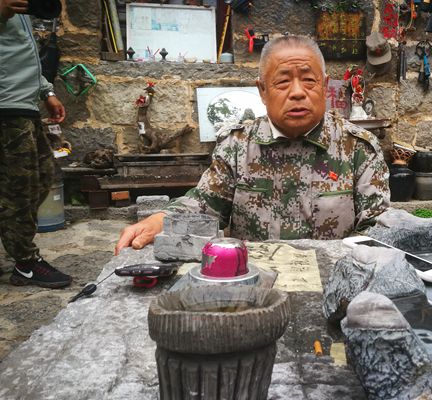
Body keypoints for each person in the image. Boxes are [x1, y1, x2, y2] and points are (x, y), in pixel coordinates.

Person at [116, 35, 390, 254]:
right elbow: (205, 206)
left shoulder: (358, 148)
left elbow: (376, 228)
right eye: (283, 82)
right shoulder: (237, 146)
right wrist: (161, 220)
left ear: (324, 86)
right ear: (262, 91)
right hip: (254, 286)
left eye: (309, 80)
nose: (297, 92)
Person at [0, 0, 72, 287]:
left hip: (24, 106)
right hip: (6, 107)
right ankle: (25, 263)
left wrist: (46, 91)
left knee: (43, 178)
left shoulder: (20, 11)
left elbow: (23, 52)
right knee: (21, 190)